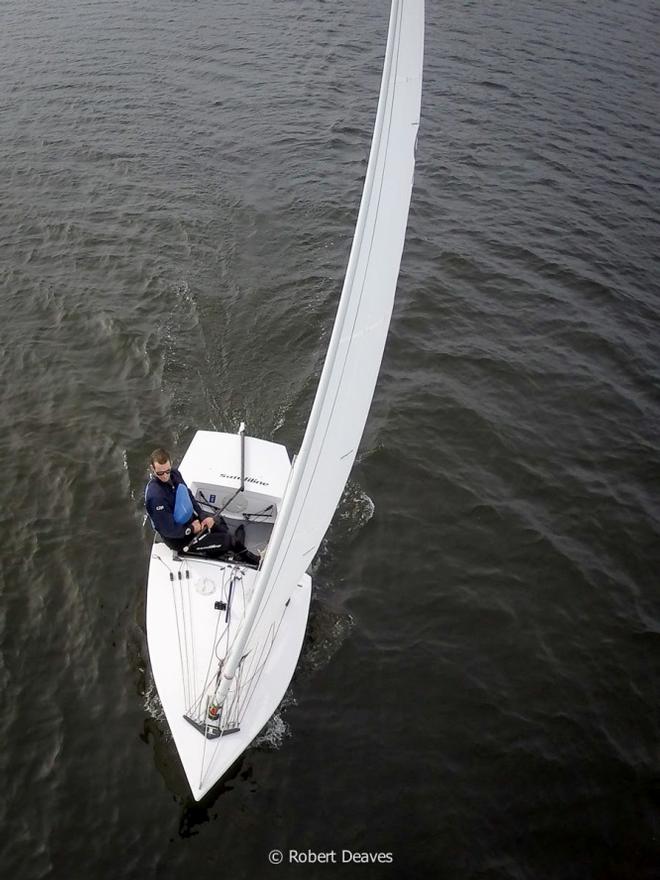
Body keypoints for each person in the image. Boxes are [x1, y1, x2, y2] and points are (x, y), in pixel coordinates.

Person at [144, 447, 258, 565]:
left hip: (192, 521)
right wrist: (191, 529)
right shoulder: (155, 497)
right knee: (228, 541)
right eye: (160, 473)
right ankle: (253, 560)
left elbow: (188, 496)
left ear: (170, 464)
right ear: (152, 468)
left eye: (167, 471)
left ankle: (225, 548)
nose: (165, 476)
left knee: (217, 522)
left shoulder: (175, 474)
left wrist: (202, 515)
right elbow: (168, 530)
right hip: (181, 539)